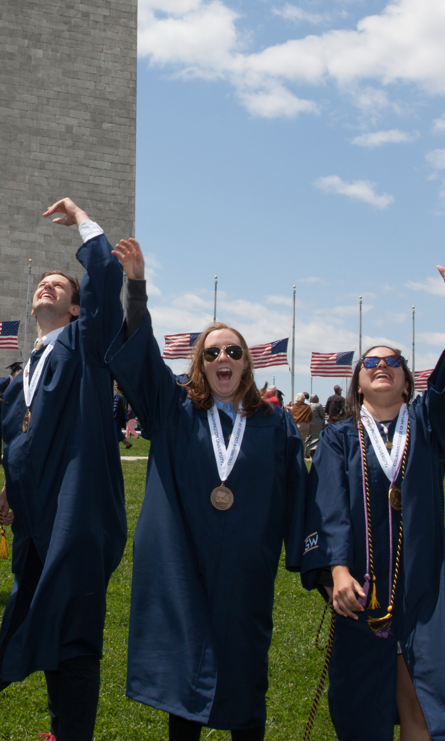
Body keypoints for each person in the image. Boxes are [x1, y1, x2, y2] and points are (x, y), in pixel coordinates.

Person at [107, 239, 306, 741]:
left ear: (246, 364)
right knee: (184, 674)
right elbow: (141, 356)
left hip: (246, 569)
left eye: (232, 351)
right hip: (184, 563)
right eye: (212, 351)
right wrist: (136, 287)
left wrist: (321, 567)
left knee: (245, 672)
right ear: (200, 363)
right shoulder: (174, 414)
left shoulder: (276, 425)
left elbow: (299, 498)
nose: (223, 357)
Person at [300, 246, 445, 741]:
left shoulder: (427, 424)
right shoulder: (341, 436)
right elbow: (329, 508)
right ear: (358, 384)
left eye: (392, 362)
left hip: (422, 585)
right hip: (362, 587)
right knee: (361, 711)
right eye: (371, 362)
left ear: (408, 382)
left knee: (421, 701)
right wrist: (337, 569)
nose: (381, 365)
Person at [0, 197, 126, 741]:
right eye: (41, 284)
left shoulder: (84, 345)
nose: (47, 286)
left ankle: (74, 734)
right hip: (37, 516)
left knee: (72, 629)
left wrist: (85, 225)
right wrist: (10, 491)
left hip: (75, 512)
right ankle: (61, 728)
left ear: (76, 309)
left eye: (59, 285)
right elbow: (21, 439)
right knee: (48, 615)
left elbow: (106, 282)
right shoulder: (27, 368)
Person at [291, 392, 313, 457]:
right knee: (303, 442)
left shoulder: (294, 407)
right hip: (304, 425)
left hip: (295, 425)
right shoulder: (307, 407)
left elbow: (291, 416)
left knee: (295, 441)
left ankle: (295, 455)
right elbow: (310, 417)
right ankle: (302, 456)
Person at [115, 383, 132, 449]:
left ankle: (125, 443)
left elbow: (115, 408)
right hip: (123, 415)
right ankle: (126, 443)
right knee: (117, 430)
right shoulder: (124, 396)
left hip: (117, 416)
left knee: (115, 430)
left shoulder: (118, 396)